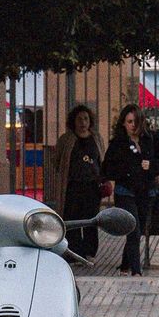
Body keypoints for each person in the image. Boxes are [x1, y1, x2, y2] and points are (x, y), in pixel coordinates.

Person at [102, 104, 159, 275]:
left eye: (136, 122)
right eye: (129, 122)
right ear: (123, 124)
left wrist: (151, 165)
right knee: (133, 229)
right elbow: (108, 168)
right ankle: (136, 271)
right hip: (126, 192)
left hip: (146, 192)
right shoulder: (118, 144)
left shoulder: (151, 139)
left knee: (137, 232)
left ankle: (125, 265)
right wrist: (127, 170)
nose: (133, 126)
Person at [46, 105, 105, 258]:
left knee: (91, 220)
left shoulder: (96, 138)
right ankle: (74, 252)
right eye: (79, 119)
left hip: (92, 186)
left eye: (85, 118)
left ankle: (90, 251)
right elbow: (57, 160)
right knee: (72, 219)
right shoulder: (66, 139)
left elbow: (101, 160)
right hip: (73, 186)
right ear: (73, 121)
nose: (83, 122)